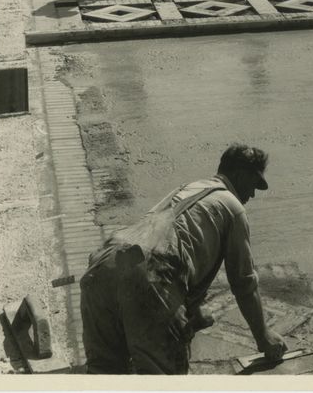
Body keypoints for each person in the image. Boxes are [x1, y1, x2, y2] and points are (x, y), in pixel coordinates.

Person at [80, 144, 287, 374]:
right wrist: (263, 336)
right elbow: (243, 282)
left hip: (104, 262)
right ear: (240, 175)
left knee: (104, 373)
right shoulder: (233, 207)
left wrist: (192, 310)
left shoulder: (191, 188)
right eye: (253, 184)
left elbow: (175, 243)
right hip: (150, 275)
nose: (252, 194)